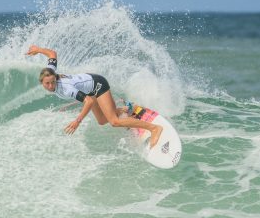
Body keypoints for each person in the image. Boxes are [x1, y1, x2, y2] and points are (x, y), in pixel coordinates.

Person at [26, 45, 163, 148]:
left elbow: (89, 101)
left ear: (55, 79)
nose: (50, 86)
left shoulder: (66, 88)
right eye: (47, 84)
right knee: (102, 120)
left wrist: (77, 121)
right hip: (90, 88)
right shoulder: (51, 72)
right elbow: (52, 53)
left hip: (97, 85)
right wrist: (38, 49)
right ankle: (127, 109)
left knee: (114, 122)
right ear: (42, 82)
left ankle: (154, 128)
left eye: (52, 83)